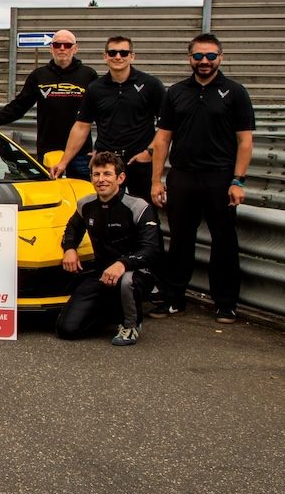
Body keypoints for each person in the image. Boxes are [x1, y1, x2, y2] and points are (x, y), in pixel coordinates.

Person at [150, 33, 254, 323]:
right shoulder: (175, 92)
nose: (204, 61)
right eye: (198, 56)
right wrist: (156, 181)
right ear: (190, 59)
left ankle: (225, 304)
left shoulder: (235, 92)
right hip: (182, 177)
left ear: (220, 58)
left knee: (224, 241)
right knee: (180, 241)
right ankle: (174, 299)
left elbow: (245, 141)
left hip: (220, 178)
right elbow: (162, 140)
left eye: (210, 56)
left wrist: (238, 181)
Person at [57, 152, 161, 345]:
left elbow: (151, 250)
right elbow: (72, 229)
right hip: (101, 273)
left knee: (127, 281)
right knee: (67, 329)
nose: (101, 179)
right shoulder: (85, 204)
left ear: (120, 178)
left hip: (136, 272)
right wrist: (69, 248)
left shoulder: (139, 206)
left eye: (107, 174)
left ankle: (131, 325)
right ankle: (113, 312)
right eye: (96, 174)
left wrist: (123, 264)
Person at [50, 36, 165, 200]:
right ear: (105, 56)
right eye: (112, 53)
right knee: (105, 210)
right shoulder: (95, 88)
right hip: (106, 162)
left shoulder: (151, 85)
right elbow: (81, 127)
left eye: (123, 53)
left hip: (139, 162)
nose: (118, 57)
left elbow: (166, 127)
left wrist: (149, 152)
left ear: (132, 56)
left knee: (144, 210)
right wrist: (63, 162)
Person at [0, 29, 97, 179]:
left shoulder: (89, 75)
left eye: (67, 45)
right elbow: (19, 106)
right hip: (48, 150)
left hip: (80, 153)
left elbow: (101, 112)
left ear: (75, 48)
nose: (62, 48)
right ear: (51, 48)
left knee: (83, 192)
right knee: (50, 191)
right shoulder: (39, 76)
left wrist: (100, 148)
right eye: (57, 45)